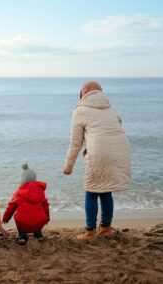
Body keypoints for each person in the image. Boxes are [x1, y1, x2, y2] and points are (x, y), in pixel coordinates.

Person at [63, 81, 131, 240]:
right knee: (106, 190)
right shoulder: (110, 108)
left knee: (92, 190)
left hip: (99, 152)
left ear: (83, 94)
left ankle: (90, 231)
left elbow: (75, 142)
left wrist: (69, 165)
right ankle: (106, 228)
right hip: (119, 149)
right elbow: (118, 122)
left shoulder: (80, 111)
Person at [2, 164, 50, 245]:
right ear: (35, 178)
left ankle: (22, 235)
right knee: (37, 214)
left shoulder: (19, 192)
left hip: (23, 224)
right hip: (39, 223)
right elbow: (46, 206)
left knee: (18, 216)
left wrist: (6, 218)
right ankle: (38, 234)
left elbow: (11, 207)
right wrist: (47, 218)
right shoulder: (40, 191)